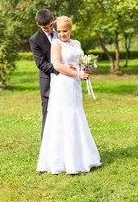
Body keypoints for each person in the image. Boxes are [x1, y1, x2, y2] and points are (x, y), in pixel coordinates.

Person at [37, 16, 101, 174]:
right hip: (63, 84)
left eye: (65, 31)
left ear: (71, 29)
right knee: (64, 117)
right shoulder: (56, 44)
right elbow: (57, 65)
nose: (62, 34)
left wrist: (86, 69)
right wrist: (77, 74)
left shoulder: (77, 43)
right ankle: (64, 161)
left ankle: (82, 157)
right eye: (59, 31)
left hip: (75, 85)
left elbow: (80, 62)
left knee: (76, 115)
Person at [29, 9, 75, 140]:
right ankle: (46, 148)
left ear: (53, 19)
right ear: (38, 24)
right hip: (48, 81)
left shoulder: (61, 30)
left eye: (51, 25)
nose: (50, 29)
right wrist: (60, 68)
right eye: (46, 28)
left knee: (67, 113)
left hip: (66, 80)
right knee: (48, 115)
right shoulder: (34, 40)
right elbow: (41, 64)